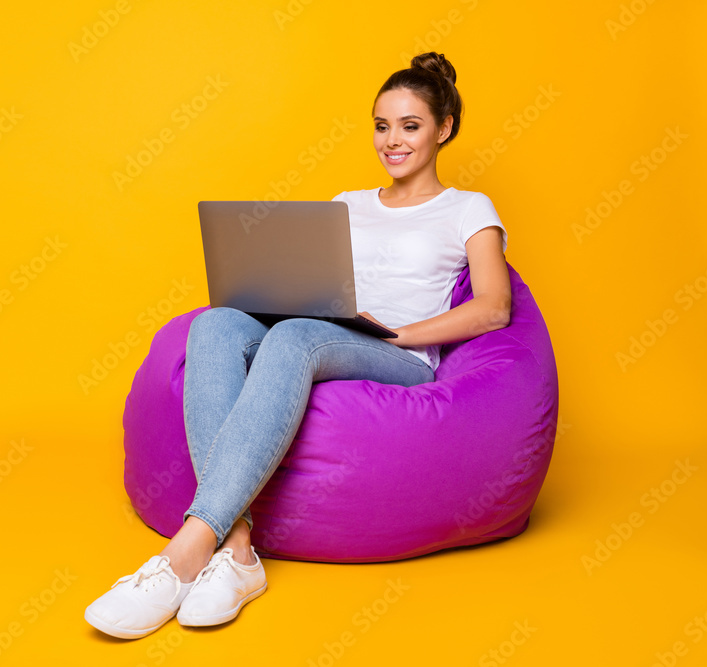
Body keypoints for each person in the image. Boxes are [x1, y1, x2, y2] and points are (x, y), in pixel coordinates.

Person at [85, 51, 511, 640]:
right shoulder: (348, 202)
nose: (392, 141)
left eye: (410, 126)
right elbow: (316, 283)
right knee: (216, 324)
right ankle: (236, 552)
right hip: (334, 328)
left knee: (295, 339)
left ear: (443, 130)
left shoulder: (467, 208)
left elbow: (494, 307)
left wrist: (403, 333)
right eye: (382, 125)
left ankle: (185, 552)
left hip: (401, 356)